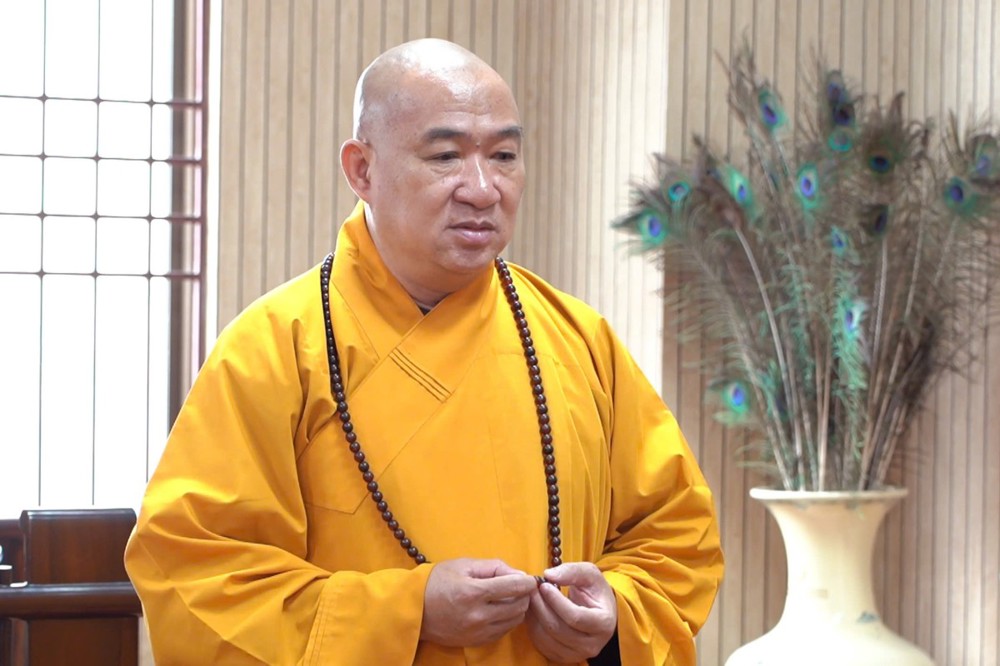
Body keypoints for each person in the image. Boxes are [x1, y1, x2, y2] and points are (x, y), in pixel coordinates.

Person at [125, 38, 724, 665]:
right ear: (362, 170)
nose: (483, 189)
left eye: (504, 156)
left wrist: (615, 615)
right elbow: (193, 576)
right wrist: (406, 613)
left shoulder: (579, 340)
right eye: (445, 156)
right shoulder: (275, 349)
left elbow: (678, 537)